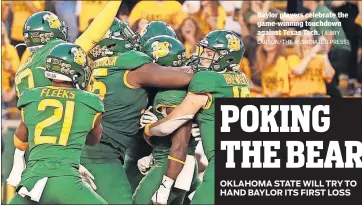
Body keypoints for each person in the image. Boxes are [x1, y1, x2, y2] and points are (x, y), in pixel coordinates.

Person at [7, 0, 123, 192]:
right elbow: (95, 33)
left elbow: (24, 128)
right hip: (70, 144)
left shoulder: (21, 70)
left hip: (39, 149)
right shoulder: (60, 55)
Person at [82, 19, 194, 204]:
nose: (133, 40)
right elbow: (185, 77)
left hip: (96, 145)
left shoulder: (96, 65)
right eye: (125, 35)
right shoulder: (132, 65)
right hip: (104, 152)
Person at [143, 30, 249, 204]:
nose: (203, 58)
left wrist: (148, 129)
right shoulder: (241, 78)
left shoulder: (206, 79)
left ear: (227, 58)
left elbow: (168, 126)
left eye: (209, 54)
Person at [8, 43, 106, 204]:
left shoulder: (30, 96)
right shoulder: (91, 102)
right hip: (66, 180)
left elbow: (20, 139)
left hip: (32, 181)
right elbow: (93, 140)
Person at [133, 35, 200, 205]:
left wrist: (166, 183)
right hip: (176, 161)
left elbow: (180, 144)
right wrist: (152, 154)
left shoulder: (172, 94)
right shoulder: (168, 90)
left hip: (172, 164)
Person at [288, 32, 335, 97]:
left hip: (318, 95)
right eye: (307, 39)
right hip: (300, 96)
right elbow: (299, 71)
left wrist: (325, 55)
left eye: (311, 39)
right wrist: (311, 53)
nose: (310, 41)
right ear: (300, 42)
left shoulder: (319, 58)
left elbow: (329, 75)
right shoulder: (293, 58)